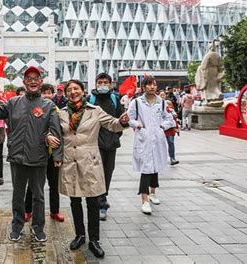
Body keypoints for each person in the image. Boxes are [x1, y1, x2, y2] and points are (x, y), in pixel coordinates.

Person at [47, 79, 129, 258]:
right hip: (70, 161)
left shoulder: (95, 111)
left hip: (90, 160)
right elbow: (53, 131)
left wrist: (122, 121)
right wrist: (48, 137)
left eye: (76, 89)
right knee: (75, 201)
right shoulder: (60, 114)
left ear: (83, 92)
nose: (73, 92)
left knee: (93, 202)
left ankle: (94, 240)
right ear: (66, 94)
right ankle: (80, 235)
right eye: (70, 90)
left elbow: (113, 124)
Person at [0, 66, 63, 243]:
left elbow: (55, 131)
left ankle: (38, 228)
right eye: (29, 78)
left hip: (39, 157)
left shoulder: (48, 105)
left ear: (41, 82)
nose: (33, 81)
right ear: (24, 82)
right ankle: (17, 226)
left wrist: (57, 156)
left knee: (38, 195)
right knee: (17, 195)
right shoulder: (14, 103)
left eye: (36, 78)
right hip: (17, 157)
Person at [127, 75, 175, 215]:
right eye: (148, 85)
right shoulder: (136, 102)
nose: (151, 87)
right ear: (143, 87)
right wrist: (138, 125)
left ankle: (153, 192)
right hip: (144, 137)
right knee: (146, 168)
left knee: (155, 166)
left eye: (153, 84)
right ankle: (144, 200)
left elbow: (170, 119)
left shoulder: (161, 102)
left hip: (157, 138)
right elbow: (129, 118)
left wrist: (162, 126)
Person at [24, 83, 64, 223]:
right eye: (44, 92)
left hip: (52, 154)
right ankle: (27, 210)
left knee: (54, 185)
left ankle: (55, 211)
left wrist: (58, 154)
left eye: (49, 93)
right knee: (33, 184)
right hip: (38, 152)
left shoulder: (57, 110)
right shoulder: (35, 108)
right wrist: (46, 135)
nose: (47, 95)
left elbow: (60, 132)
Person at [87, 72, 124, 221]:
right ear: (96, 83)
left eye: (105, 82)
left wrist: (116, 136)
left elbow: (120, 120)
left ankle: (102, 198)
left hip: (112, 144)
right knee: (97, 174)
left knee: (108, 174)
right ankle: (101, 204)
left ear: (110, 84)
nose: (102, 85)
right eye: (100, 82)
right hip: (95, 144)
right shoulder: (90, 99)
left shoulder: (115, 99)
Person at [165, 100, 180, 165]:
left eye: (170, 104)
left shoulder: (173, 112)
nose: (168, 105)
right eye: (167, 104)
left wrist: (177, 128)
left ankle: (172, 158)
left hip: (171, 129)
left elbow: (175, 121)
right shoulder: (161, 110)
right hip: (163, 129)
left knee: (171, 143)